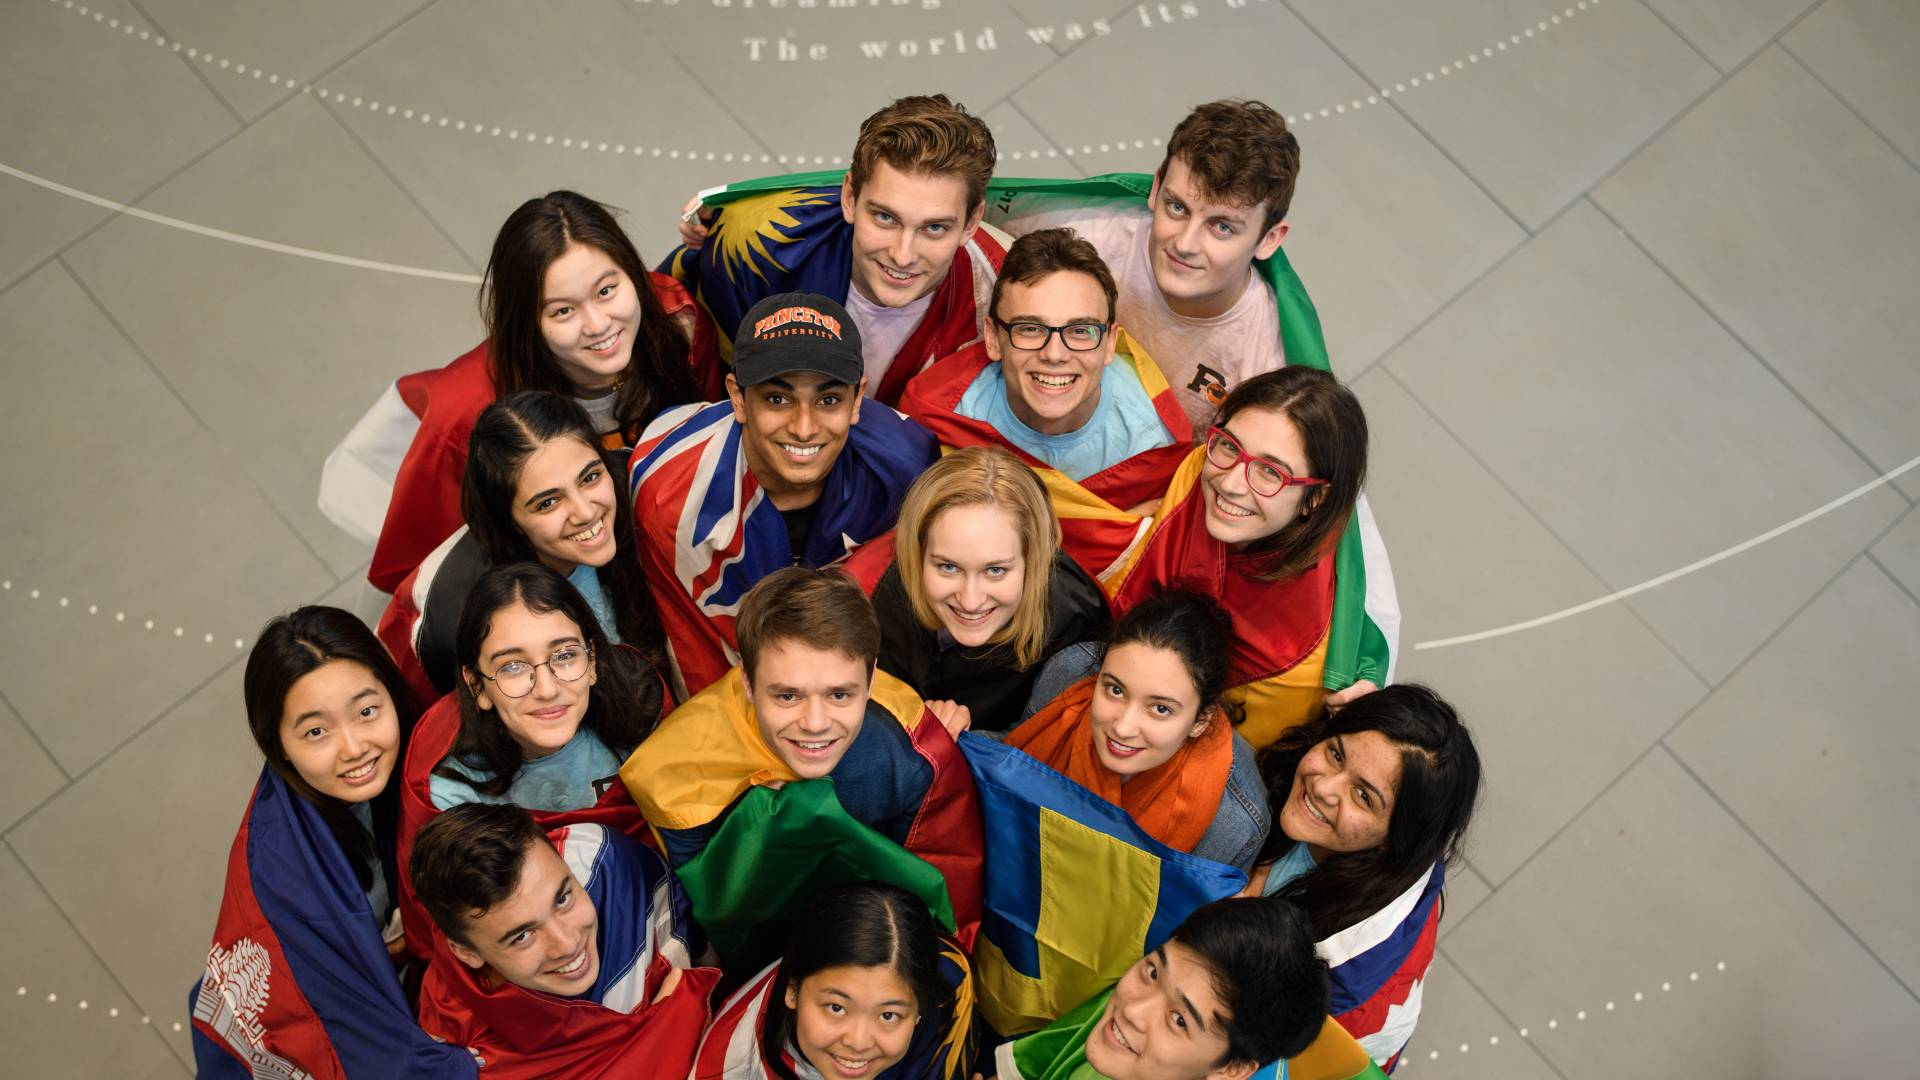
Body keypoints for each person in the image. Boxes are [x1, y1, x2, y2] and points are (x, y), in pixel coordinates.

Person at [321, 190, 720, 596]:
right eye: (563, 310)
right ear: (527, 321)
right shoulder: (464, 416)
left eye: (606, 291)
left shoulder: (678, 323)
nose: (598, 324)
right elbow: (419, 569)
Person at [192, 607, 476, 1078]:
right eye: (316, 732)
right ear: (279, 746)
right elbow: (370, 1056)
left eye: (366, 712)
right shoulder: (284, 879)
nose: (353, 748)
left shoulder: (421, 753)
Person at [620, 566, 981, 930]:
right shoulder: (678, 770)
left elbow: (935, 894)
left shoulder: (905, 748)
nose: (815, 723)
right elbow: (708, 914)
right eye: (788, 696)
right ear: (748, 682)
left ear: (871, 679)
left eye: (839, 695)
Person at [631, 292, 937, 696]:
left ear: (857, 399)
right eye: (777, 399)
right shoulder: (673, 492)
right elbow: (698, 657)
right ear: (738, 397)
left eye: (829, 400)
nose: (804, 428)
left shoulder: (907, 465)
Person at [396, 562, 668, 958]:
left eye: (565, 655)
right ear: (477, 686)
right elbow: (473, 929)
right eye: (512, 666)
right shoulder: (449, 789)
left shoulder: (640, 702)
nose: (547, 689)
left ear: (592, 662)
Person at [669, 94, 1005, 405]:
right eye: (885, 217)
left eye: (934, 228)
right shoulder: (756, 246)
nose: (902, 256)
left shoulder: (1004, 295)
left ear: (972, 222)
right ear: (849, 197)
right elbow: (702, 375)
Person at [1104, 367, 1377, 749]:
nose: (1230, 483)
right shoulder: (1194, 471)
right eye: (1230, 446)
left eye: (1270, 472)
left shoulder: (1314, 653)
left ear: (1315, 498)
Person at [900, 228, 1191, 584]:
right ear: (993, 338)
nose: (1055, 354)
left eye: (1080, 331)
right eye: (1030, 329)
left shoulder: (1154, 443)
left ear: (1109, 343)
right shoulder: (940, 414)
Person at [990, 101, 1296, 434]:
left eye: (1222, 227)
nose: (1185, 244)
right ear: (1156, 188)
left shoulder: (1266, 362)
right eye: (1177, 207)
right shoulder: (1083, 230)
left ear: (1269, 239)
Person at [1246, 685, 1480, 1070]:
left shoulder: (1327, 975)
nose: (1323, 786)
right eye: (1336, 754)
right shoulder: (1410, 824)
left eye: (1363, 796)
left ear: (1396, 839)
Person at [378, 391, 662, 705]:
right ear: (510, 520)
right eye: (548, 502)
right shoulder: (474, 617)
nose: (585, 512)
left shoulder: (640, 487)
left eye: (590, 477)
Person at [410, 803, 719, 1078]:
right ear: (466, 952)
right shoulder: (455, 1050)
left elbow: (696, 936)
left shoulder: (606, 861)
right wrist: (672, 1026)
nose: (568, 944)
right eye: (523, 936)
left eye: (562, 899)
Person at [840, 445, 1108, 733]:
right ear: (916, 553)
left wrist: (973, 743)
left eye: (995, 570)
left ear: (1033, 561)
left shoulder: (1078, 617)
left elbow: (1053, 744)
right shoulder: (866, 600)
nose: (970, 601)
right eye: (948, 567)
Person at [1006, 590, 1267, 872]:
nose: (1123, 727)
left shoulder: (1235, 825)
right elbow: (1008, 751)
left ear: (1200, 722)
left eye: (1160, 709)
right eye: (1115, 690)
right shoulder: (1071, 672)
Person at [988, 897, 1329, 1080]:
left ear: (1231, 1069)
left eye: (1179, 1020)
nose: (1132, 1010)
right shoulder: (1124, 1017)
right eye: (1152, 971)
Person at [692, 882, 977, 1080]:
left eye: (888, 1015)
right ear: (792, 991)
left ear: (919, 1011)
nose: (858, 1042)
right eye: (836, 1008)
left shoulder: (947, 981)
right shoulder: (728, 1068)